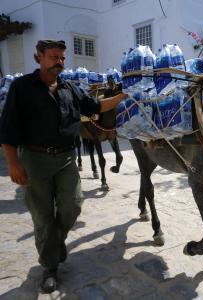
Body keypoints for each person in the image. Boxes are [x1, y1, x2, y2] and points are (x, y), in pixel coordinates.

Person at [0, 39, 128, 293]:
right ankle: (50, 267)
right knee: (43, 216)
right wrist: (13, 163)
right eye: (53, 57)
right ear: (39, 57)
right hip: (35, 160)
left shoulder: (70, 88)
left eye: (61, 58)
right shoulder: (22, 87)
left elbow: (96, 107)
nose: (59, 62)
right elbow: (8, 128)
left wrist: (121, 96)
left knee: (73, 204)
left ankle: (56, 241)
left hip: (67, 158)